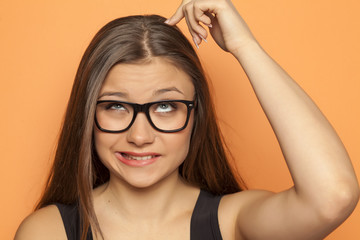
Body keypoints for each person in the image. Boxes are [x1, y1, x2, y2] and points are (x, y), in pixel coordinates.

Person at [15, 0, 359, 239]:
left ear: (196, 115)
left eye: (165, 107)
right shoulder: (49, 231)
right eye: (115, 107)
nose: (139, 136)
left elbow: (334, 197)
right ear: (88, 115)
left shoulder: (231, 222)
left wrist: (244, 46)